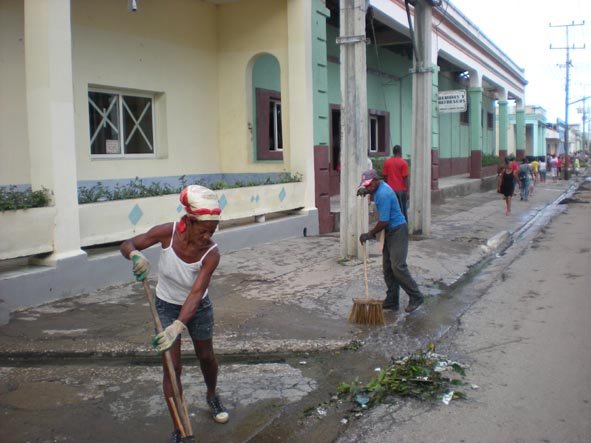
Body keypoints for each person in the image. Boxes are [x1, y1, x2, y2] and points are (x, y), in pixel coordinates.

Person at [120, 185, 229, 443]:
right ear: (189, 222)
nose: (207, 237)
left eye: (212, 231)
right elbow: (128, 244)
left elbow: (196, 292)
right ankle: (179, 427)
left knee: (206, 356)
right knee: (172, 367)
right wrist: (135, 255)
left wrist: (178, 326)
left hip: (197, 308)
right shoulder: (167, 233)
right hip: (165, 305)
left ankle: (212, 395)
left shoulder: (211, 253)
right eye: (203, 230)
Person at [356, 169, 424, 313]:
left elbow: (384, 222)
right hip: (389, 232)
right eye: (366, 186)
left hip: (397, 230)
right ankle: (392, 301)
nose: (368, 188)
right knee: (387, 268)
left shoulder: (383, 194)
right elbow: (372, 191)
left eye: (369, 186)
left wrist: (369, 234)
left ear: (375, 181)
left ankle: (416, 296)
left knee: (398, 267)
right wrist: (366, 191)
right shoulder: (377, 188)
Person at [381, 145, 410, 222]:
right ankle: (404, 227)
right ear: (400, 152)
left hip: (390, 191)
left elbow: (384, 176)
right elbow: (405, 178)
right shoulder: (404, 163)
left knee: (391, 211)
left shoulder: (387, 162)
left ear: (393, 152)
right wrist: (407, 191)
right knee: (403, 210)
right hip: (401, 191)